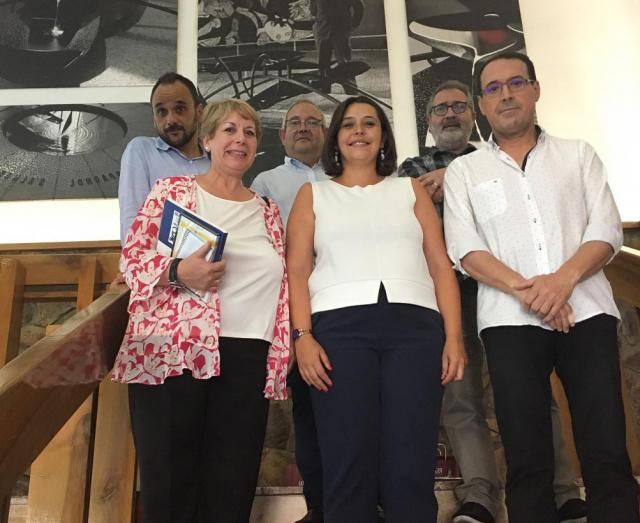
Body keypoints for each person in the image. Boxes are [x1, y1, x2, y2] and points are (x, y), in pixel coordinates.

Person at [443, 51, 640, 522]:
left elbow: (606, 229)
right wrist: (533, 291)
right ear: (481, 104)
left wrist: (562, 281)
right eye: (493, 88)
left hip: (587, 312)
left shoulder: (578, 154)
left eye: (516, 83)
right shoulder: (464, 173)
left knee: (606, 443)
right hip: (510, 322)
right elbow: (466, 250)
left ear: (535, 89)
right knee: (526, 451)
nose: (506, 94)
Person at [400, 80, 587, 523]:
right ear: (428, 121)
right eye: (441, 109)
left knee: (535, 391)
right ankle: (479, 497)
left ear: (474, 113)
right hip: (448, 294)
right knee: (460, 396)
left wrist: (459, 175)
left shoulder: (498, 158)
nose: (450, 114)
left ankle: (563, 491)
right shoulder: (410, 168)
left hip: (509, 289)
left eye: (459, 107)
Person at [287, 95, 466, 522]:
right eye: (349, 124)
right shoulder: (313, 194)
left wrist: (455, 338)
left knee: (411, 458)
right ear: (336, 137)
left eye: (370, 123)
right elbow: (295, 271)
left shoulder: (409, 190)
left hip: (416, 331)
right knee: (348, 460)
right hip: (337, 331)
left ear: (383, 135)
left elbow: (441, 266)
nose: (359, 131)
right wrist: (303, 337)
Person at [112, 98, 290, 523]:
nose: (240, 140)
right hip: (176, 350)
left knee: (231, 485)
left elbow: (282, 286)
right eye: (229, 130)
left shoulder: (268, 212)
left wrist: (285, 350)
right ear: (207, 139)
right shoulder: (173, 192)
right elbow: (131, 259)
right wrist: (177, 270)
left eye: (249, 133)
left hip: (248, 356)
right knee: (170, 483)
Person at [250, 98, 329, 523]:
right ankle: (319, 507)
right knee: (308, 411)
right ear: (281, 136)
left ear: (325, 133)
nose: (303, 128)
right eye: (294, 123)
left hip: (344, 305)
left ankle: (365, 503)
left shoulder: (344, 177)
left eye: (313, 122)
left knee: (357, 407)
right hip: (294, 311)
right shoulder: (265, 181)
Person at [118, 72, 209, 244]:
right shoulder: (141, 151)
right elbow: (133, 227)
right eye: (161, 112)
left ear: (199, 112)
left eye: (180, 109)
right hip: (162, 267)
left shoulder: (216, 159)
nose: (170, 120)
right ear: (154, 119)